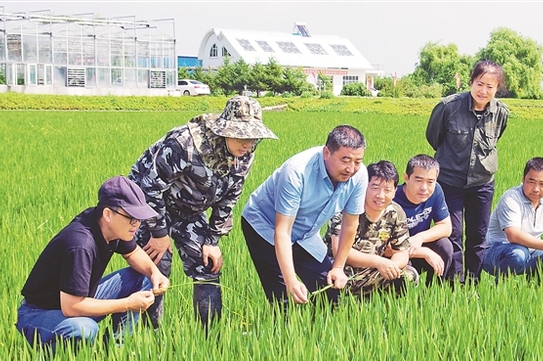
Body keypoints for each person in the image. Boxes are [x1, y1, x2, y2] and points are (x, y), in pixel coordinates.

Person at [128, 96, 277, 329]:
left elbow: (231, 194)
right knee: (157, 268)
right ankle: (149, 338)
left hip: (190, 210)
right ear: (224, 130)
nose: (248, 144)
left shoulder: (245, 153)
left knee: (207, 265)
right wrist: (158, 233)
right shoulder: (184, 144)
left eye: (253, 138)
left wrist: (212, 239)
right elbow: (149, 187)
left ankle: (210, 339)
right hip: (153, 208)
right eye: (242, 136)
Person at [16, 176, 170, 353]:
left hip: (77, 300)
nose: (136, 224)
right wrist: (128, 304)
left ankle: (116, 352)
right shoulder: (80, 244)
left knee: (143, 278)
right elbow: (71, 307)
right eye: (131, 218)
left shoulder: (108, 226)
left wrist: (154, 273)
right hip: (40, 313)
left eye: (139, 219)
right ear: (108, 214)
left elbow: (133, 252)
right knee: (86, 329)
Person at [241, 124, 368, 307]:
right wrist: (291, 281)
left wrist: (339, 267)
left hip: (305, 234)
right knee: (283, 300)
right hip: (265, 227)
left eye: (357, 161)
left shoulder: (359, 175)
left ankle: (317, 334)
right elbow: (282, 231)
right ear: (326, 153)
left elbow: (350, 224)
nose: (351, 168)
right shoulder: (297, 172)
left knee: (331, 292)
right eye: (345, 160)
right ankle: (283, 332)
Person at [425, 59, 509, 284]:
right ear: (471, 81)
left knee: (478, 237)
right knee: (452, 234)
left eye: (490, 87)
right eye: (480, 84)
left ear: (496, 88)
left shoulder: (500, 112)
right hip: (449, 182)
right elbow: (434, 138)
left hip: (482, 184)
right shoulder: (448, 106)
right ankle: (453, 283)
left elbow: (497, 137)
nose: (483, 91)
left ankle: (472, 284)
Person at [324, 160, 418, 296]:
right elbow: (339, 250)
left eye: (387, 190)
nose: (380, 195)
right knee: (332, 283)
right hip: (342, 269)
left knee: (409, 275)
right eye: (375, 187)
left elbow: (402, 251)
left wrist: (391, 266)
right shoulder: (347, 207)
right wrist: (379, 262)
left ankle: (383, 310)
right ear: (364, 186)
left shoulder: (396, 212)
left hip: (373, 271)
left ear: (394, 191)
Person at [482, 157, 543, 280]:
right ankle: (500, 289)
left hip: (531, 251)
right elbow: (513, 235)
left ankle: (537, 288)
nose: (536, 189)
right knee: (518, 253)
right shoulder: (510, 198)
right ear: (523, 179)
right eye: (531, 182)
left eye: (542, 184)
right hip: (496, 252)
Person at [392, 154, 453, 285]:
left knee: (445, 246)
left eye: (430, 182)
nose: (424, 188)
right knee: (406, 274)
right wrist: (425, 253)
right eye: (418, 180)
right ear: (406, 178)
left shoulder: (436, 191)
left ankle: (432, 295)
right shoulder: (393, 200)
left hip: (417, 246)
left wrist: (420, 237)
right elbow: (386, 247)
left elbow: (446, 227)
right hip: (397, 252)